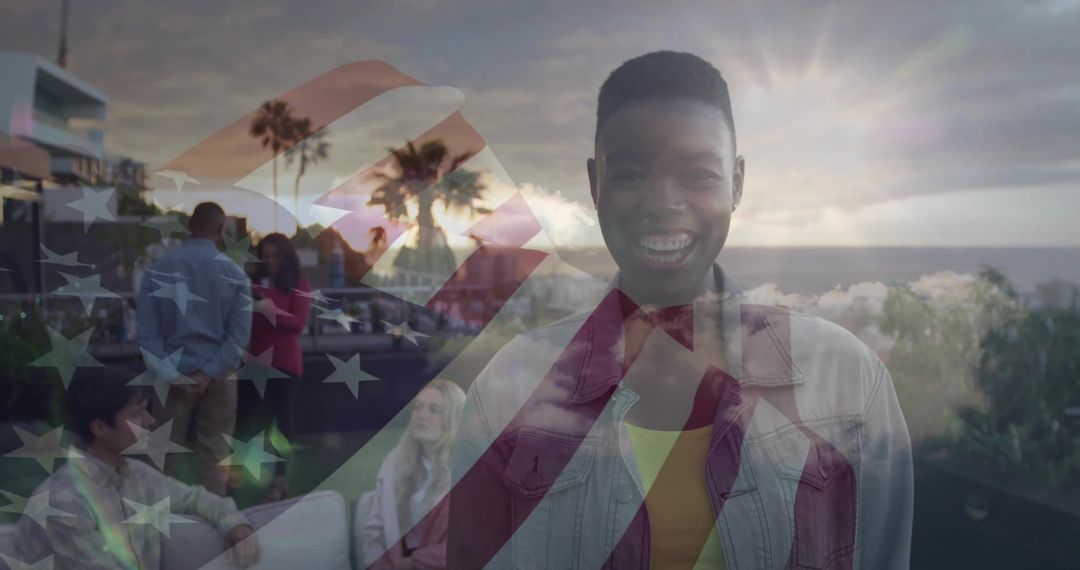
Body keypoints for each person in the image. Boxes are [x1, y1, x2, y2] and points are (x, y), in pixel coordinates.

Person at [447, 51, 913, 569]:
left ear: (736, 183)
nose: (662, 201)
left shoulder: (848, 381)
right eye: (628, 174)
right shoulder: (506, 394)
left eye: (697, 174)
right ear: (593, 184)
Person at [14, 372, 260, 569]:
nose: (150, 421)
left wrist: (236, 526)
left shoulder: (134, 473)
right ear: (100, 427)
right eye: (137, 414)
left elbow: (194, 497)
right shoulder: (63, 502)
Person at [137, 201, 251, 495]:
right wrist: (208, 374)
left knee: (162, 459)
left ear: (190, 227)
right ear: (221, 229)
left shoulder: (157, 271)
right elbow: (238, 339)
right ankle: (214, 528)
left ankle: (160, 528)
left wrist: (173, 375)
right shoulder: (237, 276)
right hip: (220, 376)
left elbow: (147, 336)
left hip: (170, 377)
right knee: (214, 457)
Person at [362, 380, 466, 570]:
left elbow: (471, 543)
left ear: (454, 418)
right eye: (418, 408)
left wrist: (411, 563)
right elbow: (375, 529)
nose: (421, 415)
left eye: (434, 410)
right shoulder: (394, 461)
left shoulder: (469, 467)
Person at [242, 232, 313, 501]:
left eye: (275, 256)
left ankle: (280, 479)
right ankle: (238, 477)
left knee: (282, 422)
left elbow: (298, 323)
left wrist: (269, 310)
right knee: (247, 419)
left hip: (284, 363)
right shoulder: (254, 283)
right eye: (265, 256)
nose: (270, 261)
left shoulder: (298, 284)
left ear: (286, 257)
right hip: (254, 363)